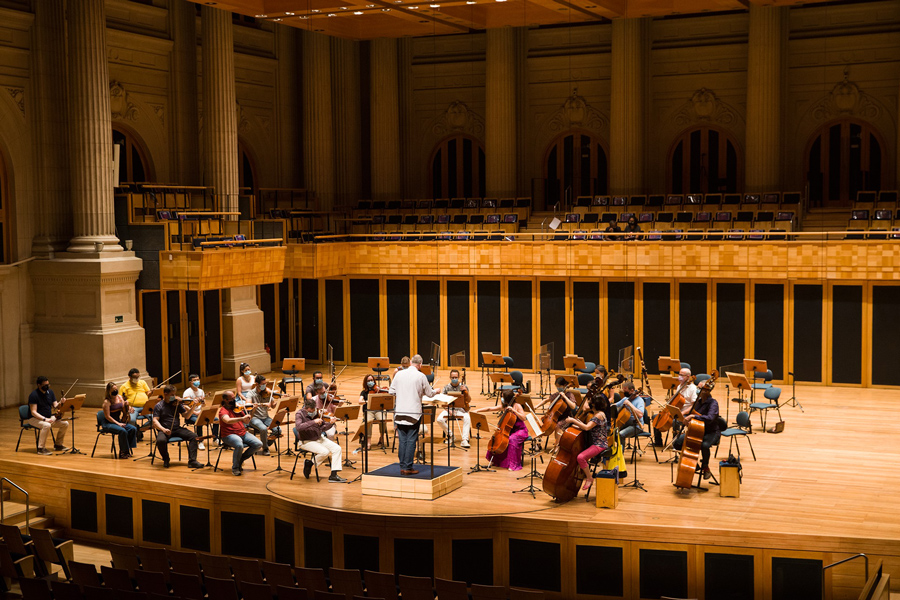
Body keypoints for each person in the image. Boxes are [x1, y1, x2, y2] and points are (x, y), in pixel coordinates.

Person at [388, 354, 437, 475]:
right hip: (413, 414)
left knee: (403, 440)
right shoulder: (420, 376)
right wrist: (437, 391)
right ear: (420, 365)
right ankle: (408, 467)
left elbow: (391, 391)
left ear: (410, 363)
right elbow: (430, 394)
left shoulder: (399, 374)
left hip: (399, 412)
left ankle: (403, 466)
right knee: (411, 440)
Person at [673, 381, 721, 480]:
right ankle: (694, 465)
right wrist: (686, 420)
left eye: (699, 388)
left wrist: (693, 416)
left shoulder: (713, 403)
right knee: (677, 443)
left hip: (710, 431)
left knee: (704, 445)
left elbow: (710, 418)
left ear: (706, 391)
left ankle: (705, 467)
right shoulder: (698, 402)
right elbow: (692, 415)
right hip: (696, 429)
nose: (697, 389)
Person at [563, 395, 609, 492]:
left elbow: (587, 427)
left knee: (580, 457)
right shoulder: (600, 413)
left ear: (593, 406)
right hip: (597, 442)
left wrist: (573, 420)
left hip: (599, 445)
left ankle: (589, 478)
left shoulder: (598, 416)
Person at [294, 396, 346, 482]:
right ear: (306, 408)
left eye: (314, 408)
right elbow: (299, 427)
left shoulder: (316, 413)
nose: (314, 411)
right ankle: (310, 464)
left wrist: (330, 423)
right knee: (325, 452)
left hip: (319, 438)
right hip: (306, 441)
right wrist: (313, 422)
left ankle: (333, 475)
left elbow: (323, 428)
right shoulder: (299, 414)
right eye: (312, 410)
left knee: (337, 449)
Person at [473, 390, 528, 471]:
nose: (501, 398)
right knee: (496, 439)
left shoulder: (517, 405)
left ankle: (513, 464)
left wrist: (514, 411)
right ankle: (495, 461)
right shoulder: (504, 406)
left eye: (502, 397)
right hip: (509, 430)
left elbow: (524, 418)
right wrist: (477, 411)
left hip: (520, 430)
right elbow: (489, 408)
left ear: (507, 398)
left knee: (512, 439)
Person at [152, 385, 203, 469]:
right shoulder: (159, 405)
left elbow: (186, 416)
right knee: (160, 440)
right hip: (164, 430)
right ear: (165, 394)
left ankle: (192, 461)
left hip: (177, 429)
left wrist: (193, 406)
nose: (174, 397)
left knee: (194, 436)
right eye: (172, 395)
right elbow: (155, 421)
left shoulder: (177, 404)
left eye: (175, 394)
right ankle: (166, 459)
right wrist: (163, 429)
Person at [218, 391, 263, 476]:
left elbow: (247, 420)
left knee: (258, 444)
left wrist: (253, 410)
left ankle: (240, 459)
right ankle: (235, 467)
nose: (234, 400)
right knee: (239, 444)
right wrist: (241, 418)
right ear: (225, 400)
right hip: (229, 435)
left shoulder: (237, 408)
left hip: (242, 433)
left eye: (234, 398)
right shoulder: (223, 411)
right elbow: (227, 420)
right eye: (231, 399)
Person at [653, 368, 697, 447]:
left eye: (681, 375)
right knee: (655, 417)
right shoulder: (679, 386)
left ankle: (676, 443)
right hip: (676, 411)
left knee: (675, 421)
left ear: (688, 377)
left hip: (685, 413)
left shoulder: (693, 388)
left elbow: (693, 406)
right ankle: (658, 442)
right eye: (679, 374)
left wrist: (683, 413)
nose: (679, 377)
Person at [27, 376, 70, 455]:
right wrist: (44, 419)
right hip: (34, 419)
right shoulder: (33, 395)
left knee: (65, 424)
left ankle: (58, 445)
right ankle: (41, 448)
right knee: (46, 425)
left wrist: (62, 403)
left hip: (48, 417)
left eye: (48, 385)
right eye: (44, 385)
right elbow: (33, 412)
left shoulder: (50, 392)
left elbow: (55, 405)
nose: (47, 387)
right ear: (39, 385)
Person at [535, 376, 579, 449]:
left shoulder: (569, 395)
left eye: (559, 386)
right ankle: (538, 444)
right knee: (540, 423)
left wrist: (564, 397)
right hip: (555, 417)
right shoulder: (556, 395)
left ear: (564, 386)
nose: (558, 388)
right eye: (557, 386)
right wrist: (536, 406)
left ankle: (557, 446)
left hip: (566, 418)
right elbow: (545, 400)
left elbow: (573, 406)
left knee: (558, 426)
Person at [435, 369, 471, 449]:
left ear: (458, 377)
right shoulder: (446, 387)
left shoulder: (463, 386)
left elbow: (468, 400)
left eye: (456, 377)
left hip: (461, 409)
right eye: (452, 377)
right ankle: (451, 436)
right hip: (449, 409)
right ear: (450, 377)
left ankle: (464, 439)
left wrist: (466, 391)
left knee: (467, 418)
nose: (454, 379)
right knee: (439, 419)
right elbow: (442, 402)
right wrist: (449, 411)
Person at [247, 374, 281, 455]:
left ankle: (267, 442)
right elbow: (248, 406)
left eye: (265, 384)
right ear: (257, 384)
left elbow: (272, 406)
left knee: (278, 430)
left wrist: (277, 403)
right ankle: (265, 448)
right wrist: (260, 405)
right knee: (263, 429)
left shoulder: (267, 392)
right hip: (254, 418)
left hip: (266, 417)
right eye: (263, 384)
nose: (265, 386)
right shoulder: (250, 393)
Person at [101, 381, 137, 459]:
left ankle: (127, 449)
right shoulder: (107, 402)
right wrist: (118, 424)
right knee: (122, 431)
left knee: (132, 429)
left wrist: (129, 408)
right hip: (109, 423)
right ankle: (123, 452)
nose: (115, 391)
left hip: (118, 421)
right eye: (113, 390)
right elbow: (108, 417)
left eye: (116, 389)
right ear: (109, 391)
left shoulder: (120, 398)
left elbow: (124, 407)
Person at [357, 374, 387, 450]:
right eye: (369, 381)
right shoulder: (364, 392)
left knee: (383, 419)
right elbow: (360, 401)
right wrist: (367, 401)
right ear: (365, 382)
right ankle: (368, 442)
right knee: (368, 421)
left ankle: (381, 438)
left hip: (377, 410)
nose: (370, 382)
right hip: (368, 410)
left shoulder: (378, 390)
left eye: (372, 380)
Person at [121, 368, 151, 439]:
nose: (137, 379)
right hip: (133, 407)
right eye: (135, 377)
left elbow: (148, 393)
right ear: (130, 377)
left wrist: (151, 392)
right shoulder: (124, 386)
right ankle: (133, 434)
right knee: (132, 420)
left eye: (138, 377)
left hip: (145, 406)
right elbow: (121, 400)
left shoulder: (143, 382)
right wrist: (128, 407)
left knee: (155, 419)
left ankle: (139, 430)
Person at [182, 374, 207, 451]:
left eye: (198, 379)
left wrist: (203, 403)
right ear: (190, 382)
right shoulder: (187, 392)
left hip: (200, 413)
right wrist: (195, 413)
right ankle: (200, 441)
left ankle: (215, 438)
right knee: (199, 422)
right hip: (191, 415)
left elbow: (204, 405)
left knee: (216, 420)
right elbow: (185, 406)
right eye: (194, 380)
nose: (197, 381)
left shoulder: (201, 391)